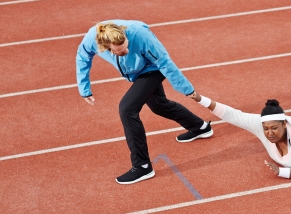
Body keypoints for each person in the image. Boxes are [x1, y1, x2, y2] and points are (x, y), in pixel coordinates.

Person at [76, 20, 213, 185]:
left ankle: (142, 166)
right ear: (106, 48)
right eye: (120, 51)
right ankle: (200, 127)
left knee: (127, 109)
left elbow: (165, 62)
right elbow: (83, 57)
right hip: (136, 72)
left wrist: (187, 89)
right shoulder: (93, 39)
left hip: (152, 68)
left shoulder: (140, 36)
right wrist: (84, 88)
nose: (126, 51)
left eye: (126, 47)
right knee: (159, 106)